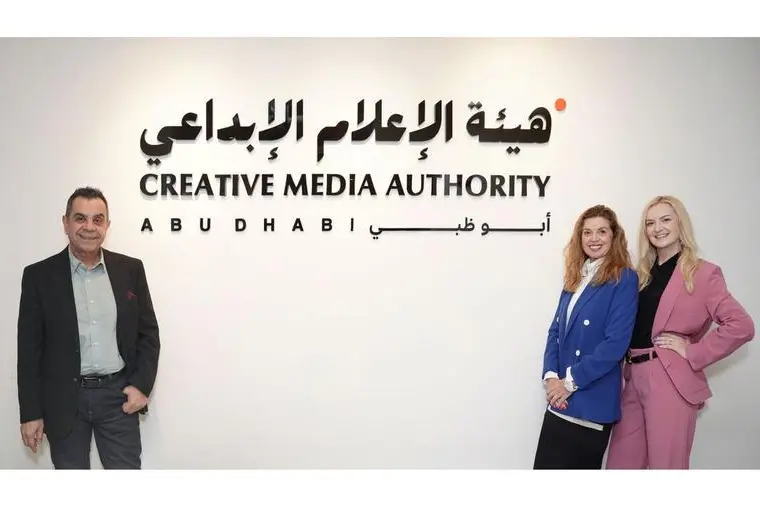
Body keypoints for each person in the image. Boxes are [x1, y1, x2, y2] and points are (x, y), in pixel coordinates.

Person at [605, 195, 754, 469]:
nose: (657, 228)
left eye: (665, 220)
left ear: (680, 224)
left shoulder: (703, 273)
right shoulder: (640, 275)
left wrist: (693, 351)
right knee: (620, 466)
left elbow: (741, 325)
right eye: (650, 223)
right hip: (631, 377)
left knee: (667, 466)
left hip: (668, 378)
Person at [17, 186, 160, 469]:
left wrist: (141, 386)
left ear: (107, 225)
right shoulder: (38, 276)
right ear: (66, 223)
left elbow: (148, 334)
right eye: (80, 218)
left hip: (118, 398)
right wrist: (31, 413)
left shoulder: (130, 269)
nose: (89, 227)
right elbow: (29, 351)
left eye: (98, 219)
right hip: (64, 401)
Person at [533, 204, 639, 469]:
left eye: (602, 231)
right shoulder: (575, 277)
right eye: (587, 232)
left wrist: (569, 383)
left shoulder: (624, 278)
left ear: (614, 236)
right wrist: (551, 377)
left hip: (591, 400)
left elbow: (615, 344)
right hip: (559, 400)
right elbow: (555, 331)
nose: (594, 238)